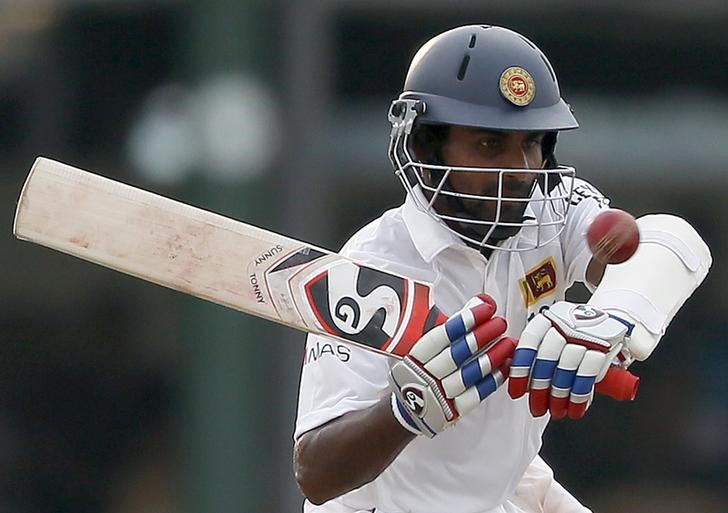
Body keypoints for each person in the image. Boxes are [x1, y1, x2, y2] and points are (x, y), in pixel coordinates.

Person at [292, 25, 711, 513]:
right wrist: (407, 408)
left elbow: (671, 243)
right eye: (490, 146)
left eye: (531, 143)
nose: (520, 169)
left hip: (505, 491)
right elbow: (315, 474)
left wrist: (610, 315)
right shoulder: (373, 267)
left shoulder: (545, 214)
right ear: (426, 149)